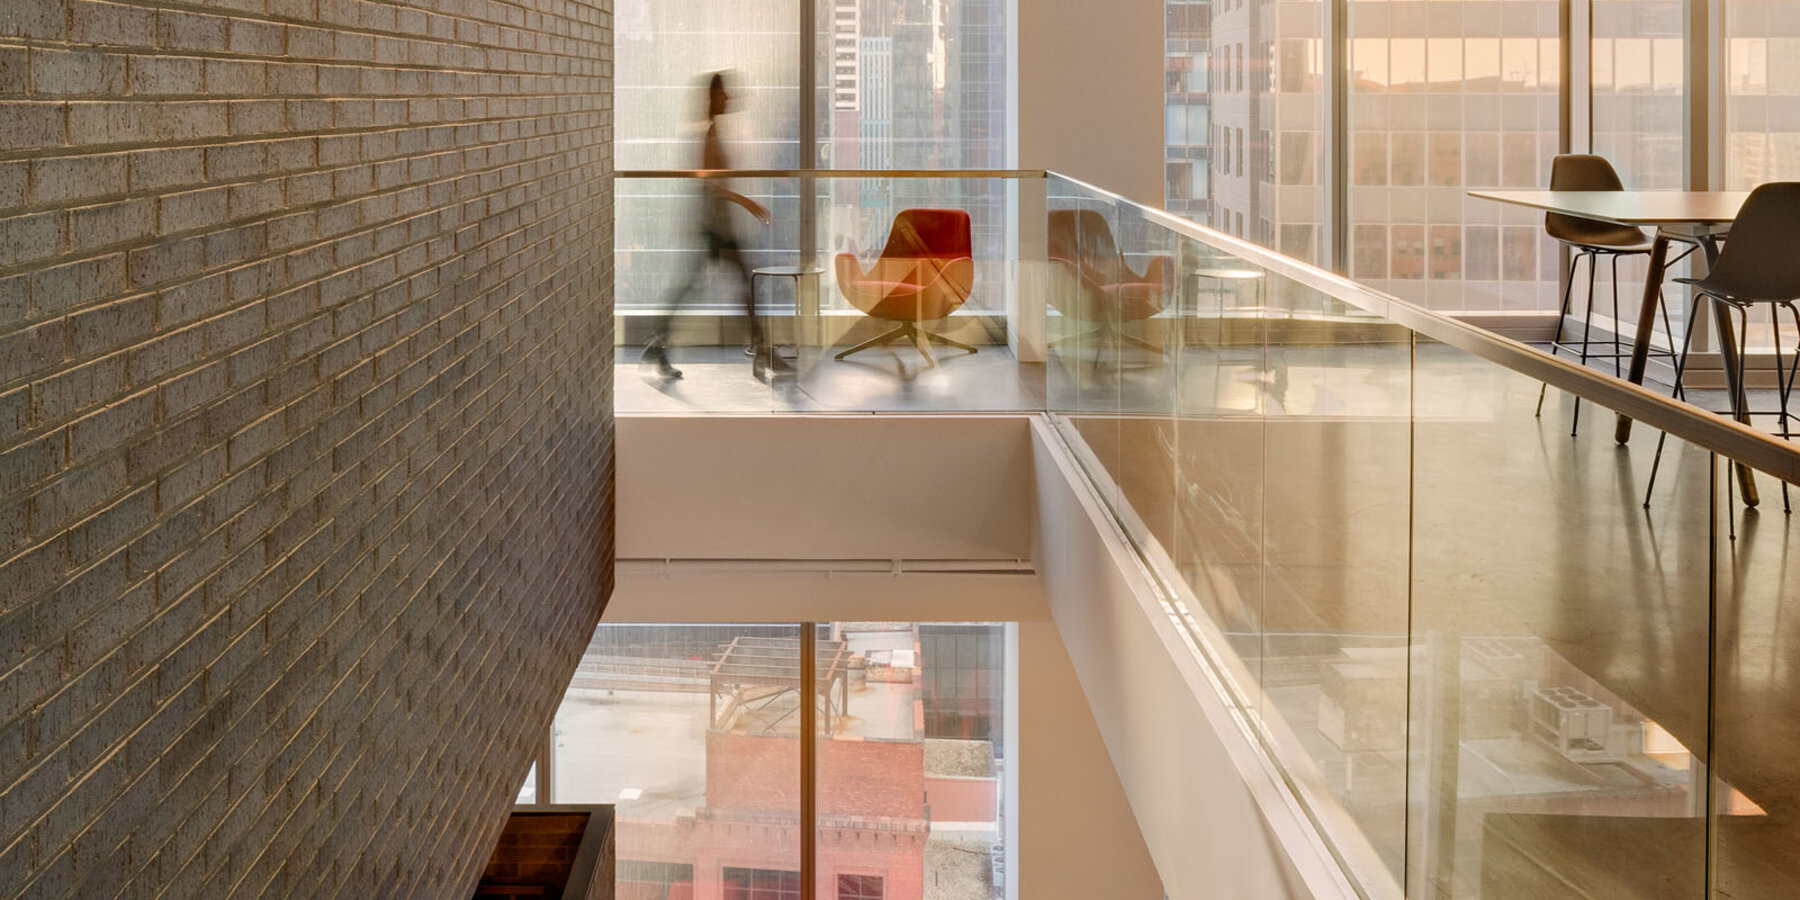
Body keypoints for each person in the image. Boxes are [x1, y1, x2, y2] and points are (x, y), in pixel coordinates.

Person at [642, 72, 787, 380]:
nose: (729, 98)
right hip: (713, 228)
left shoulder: (712, 131)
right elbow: (710, 184)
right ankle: (761, 351)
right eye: (724, 94)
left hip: (717, 226)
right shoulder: (708, 133)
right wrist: (747, 203)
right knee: (720, 286)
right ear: (713, 97)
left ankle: (659, 346)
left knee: (719, 286)